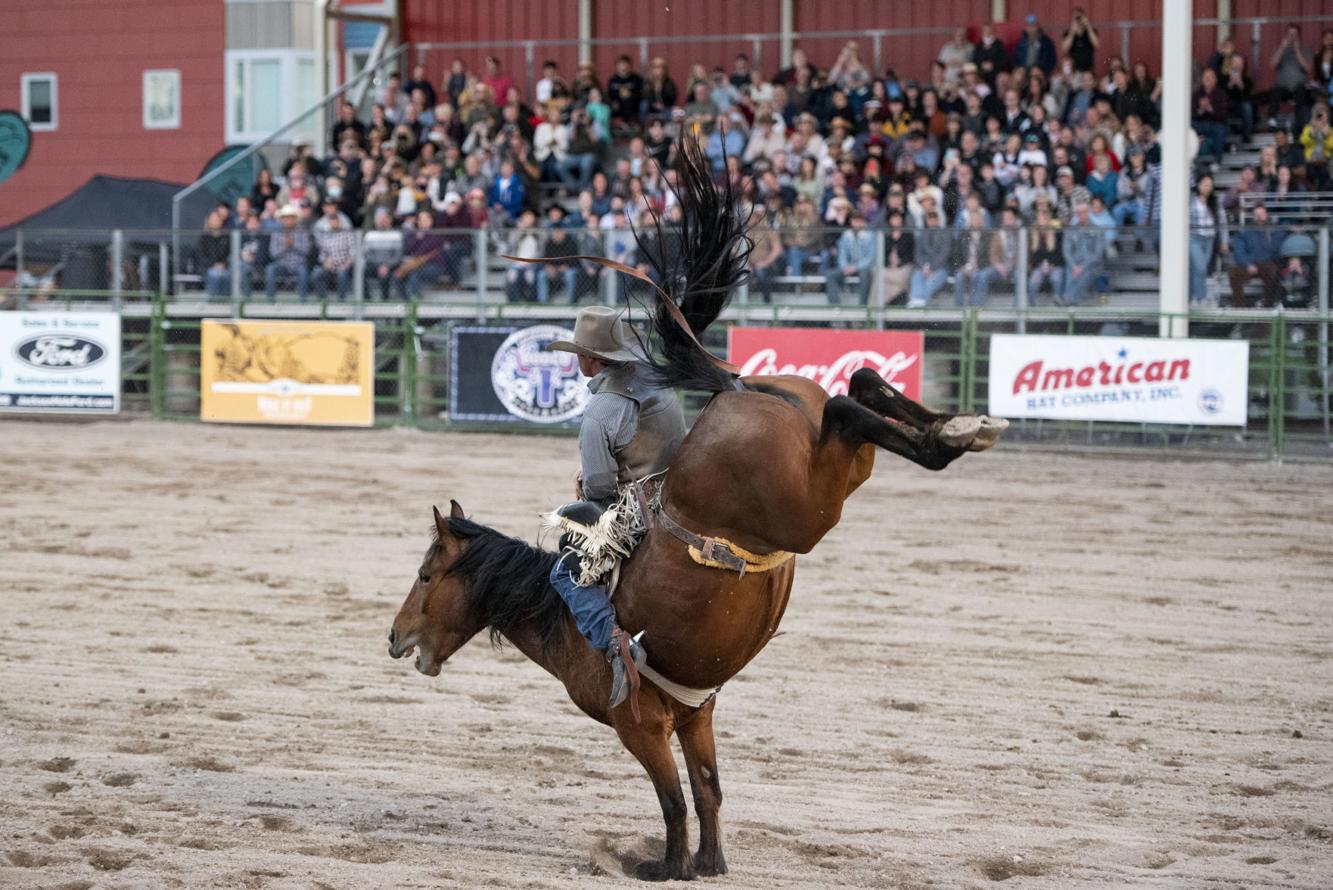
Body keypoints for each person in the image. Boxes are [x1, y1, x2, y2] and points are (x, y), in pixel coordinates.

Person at [546, 307, 687, 711]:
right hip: (675, 486)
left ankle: (614, 644)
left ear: (588, 358)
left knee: (567, 568)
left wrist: (586, 485)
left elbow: (599, 487)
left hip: (639, 508)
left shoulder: (600, 412)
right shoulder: (653, 377)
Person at [1228, 204, 1285, 308]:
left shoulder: (1276, 231)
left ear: (1267, 215)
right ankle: (1240, 306)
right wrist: (1248, 264)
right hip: (1250, 264)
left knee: (1274, 272)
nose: (1259, 217)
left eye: (1262, 214)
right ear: (1253, 216)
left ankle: (1268, 305)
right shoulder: (1244, 232)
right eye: (1256, 214)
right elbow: (1238, 251)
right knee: (1233, 273)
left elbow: (1278, 250)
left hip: (1268, 264)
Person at [1189, 174, 1226, 306]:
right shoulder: (1190, 199)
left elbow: (1222, 222)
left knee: (1198, 269)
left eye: (1210, 185)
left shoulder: (1215, 201)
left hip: (1209, 238)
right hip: (1193, 236)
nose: (1207, 187)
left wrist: (1224, 241)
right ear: (1198, 184)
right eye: (1205, 184)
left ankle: (1191, 298)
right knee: (1200, 267)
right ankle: (1201, 297)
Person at [1268, 25, 1313, 131]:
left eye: (1294, 34)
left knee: (1301, 92)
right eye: (1289, 34)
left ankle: (1299, 121)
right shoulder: (1279, 49)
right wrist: (1282, 48)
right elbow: (1272, 65)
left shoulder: (1305, 50)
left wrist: (1297, 51)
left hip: (1299, 87)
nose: (1292, 37)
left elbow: (1308, 69)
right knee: (1275, 91)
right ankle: (1272, 119)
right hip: (1282, 87)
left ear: (1299, 36)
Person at [310, 198, 356, 301]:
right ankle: (322, 300)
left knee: (341, 274)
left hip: (344, 264)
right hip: (329, 264)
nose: (334, 222)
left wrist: (345, 264)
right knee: (317, 273)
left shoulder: (345, 223)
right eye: (327, 206)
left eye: (332, 205)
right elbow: (321, 249)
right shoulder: (321, 224)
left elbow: (353, 251)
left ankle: (341, 300)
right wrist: (325, 262)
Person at [264, 204, 312, 300]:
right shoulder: (276, 233)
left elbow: (306, 251)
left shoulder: (302, 231)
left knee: (303, 271)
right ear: (281, 219)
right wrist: (284, 247)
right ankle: (270, 299)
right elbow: (273, 253)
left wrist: (293, 245)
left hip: (298, 264)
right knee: (270, 269)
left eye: (291, 218)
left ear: (295, 219)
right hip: (281, 265)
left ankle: (303, 300)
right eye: (285, 218)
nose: (288, 220)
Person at [828, 210, 875, 305]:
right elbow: (842, 253)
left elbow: (871, 258)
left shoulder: (870, 236)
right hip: (849, 267)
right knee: (831, 275)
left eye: (858, 220)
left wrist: (855, 267)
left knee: (865, 275)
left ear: (863, 221)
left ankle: (862, 306)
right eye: (854, 220)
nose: (856, 223)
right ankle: (835, 305)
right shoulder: (846, 235)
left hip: (863, 267)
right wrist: (845, 266)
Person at [1062, 201, 1104, 306]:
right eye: (1078, 213)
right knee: (1070, 271)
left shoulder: (1097, 230)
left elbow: (1098, 254)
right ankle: (1072, 302)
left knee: (1084, 272)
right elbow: (1066, 251)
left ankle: (1068, 300)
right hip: (1074, 264)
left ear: (1089, 212)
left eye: (1084, 212)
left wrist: (1082, 266)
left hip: (1090, 264)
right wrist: (1074, 266)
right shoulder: (1071, 230)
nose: (1081, 215)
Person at [907, 212, 951, 307]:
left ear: (938, 220)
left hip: (940, 268)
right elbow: (918, 253)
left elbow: (944, 254)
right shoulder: (922, 234)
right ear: (926, 221)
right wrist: (925, 266)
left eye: (934, 219)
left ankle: (920, 302)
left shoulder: (945, 234)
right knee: (916, 277)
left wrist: (932, 267)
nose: (932, 221)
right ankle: (915, 301)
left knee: (931, 281)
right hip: (923, 267)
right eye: (929, 219)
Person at [363, 208, 403, 302]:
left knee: (385, 275)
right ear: (376, 221)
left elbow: (397, 256)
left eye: (384, 219)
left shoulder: (396, 235)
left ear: (389, 220)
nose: (382, 222)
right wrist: (379, 265)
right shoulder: (370, 235)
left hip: (391, 266)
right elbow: (368, 255)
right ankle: (367, 300)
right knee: (361, 273)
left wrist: (386, 265)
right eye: (380, 219)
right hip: (374, 265)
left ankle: (385, 302)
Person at [1028, 203, 1065, 303]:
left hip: (1055, 265)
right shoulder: (1033, 233)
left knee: (1056, 279)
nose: (1041, 220)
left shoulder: (1057, 233)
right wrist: (1039, 264)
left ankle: (1057, 300)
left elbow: (1060, 254)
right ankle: (1031, 304)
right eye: (1039, 218)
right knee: (1032, 282)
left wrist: (1051, 264)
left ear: (1048, 219)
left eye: (1043, 218)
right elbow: (1032, 255)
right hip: (1039, 266)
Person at [881, 209, 914, 306]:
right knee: (878, 275)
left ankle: (895, 301)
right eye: (893, 218)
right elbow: (882, 254)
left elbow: (910, 255)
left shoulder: (908, 235)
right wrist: (888, 264)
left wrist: (899, 263)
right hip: (888, 267)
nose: (896, 220)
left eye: (898, 218)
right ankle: (877, 310)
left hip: (903, 266)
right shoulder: (885, 236)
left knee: (901, 276)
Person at [199, 209, 232, 298]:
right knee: (215, 275)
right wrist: (213, 265)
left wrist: (223, 264)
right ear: (209, 221)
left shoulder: (227, 236)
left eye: (217, 219)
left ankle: (225, 301)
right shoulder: (204, 237)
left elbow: (230, 254)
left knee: (226, 275)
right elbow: (202, 256)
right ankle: (213, 301)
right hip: (208, 268)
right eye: (213, 219)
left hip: (224, 267)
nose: (215, 222)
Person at [1061, 7, 1099, 73]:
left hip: (1088, 69)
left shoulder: (1091, 31)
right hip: (1073, 70)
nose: (1078, 20)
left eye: (1080, 17)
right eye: (1076, 18)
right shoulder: (1067, 33)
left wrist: (1088, 26)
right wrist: (1072, 32)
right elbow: (1064, 48)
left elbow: (1096, 44)